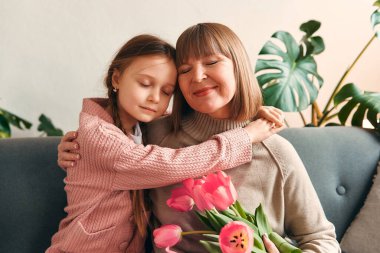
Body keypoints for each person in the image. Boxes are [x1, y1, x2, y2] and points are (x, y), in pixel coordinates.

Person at [49, 34, 285, 253]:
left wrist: (244, 114)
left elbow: (196, 115)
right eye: (144, 84)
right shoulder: (99, 136)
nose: (154, 98)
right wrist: (245, 136)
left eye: (166, 92)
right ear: (117, 78)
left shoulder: (142, 126)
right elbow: (173, 164)